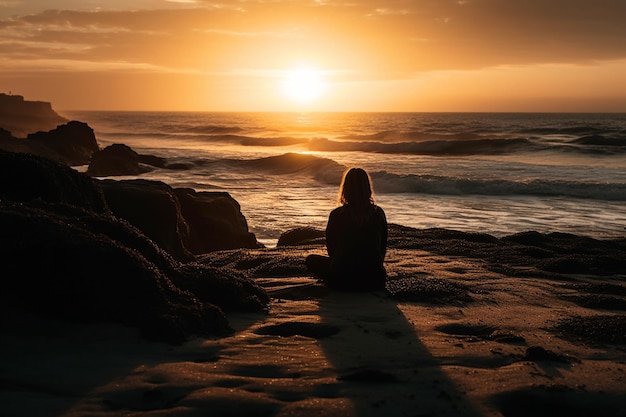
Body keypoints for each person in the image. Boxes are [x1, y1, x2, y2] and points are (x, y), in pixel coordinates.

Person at [306, 167, 387, 291]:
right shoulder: (379, 213)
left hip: (343, 278)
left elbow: (331, 250)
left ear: (345, 189)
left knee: (311, 260)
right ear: (367, 188)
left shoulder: (336, 215)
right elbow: (382, 248)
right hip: (374, 279)